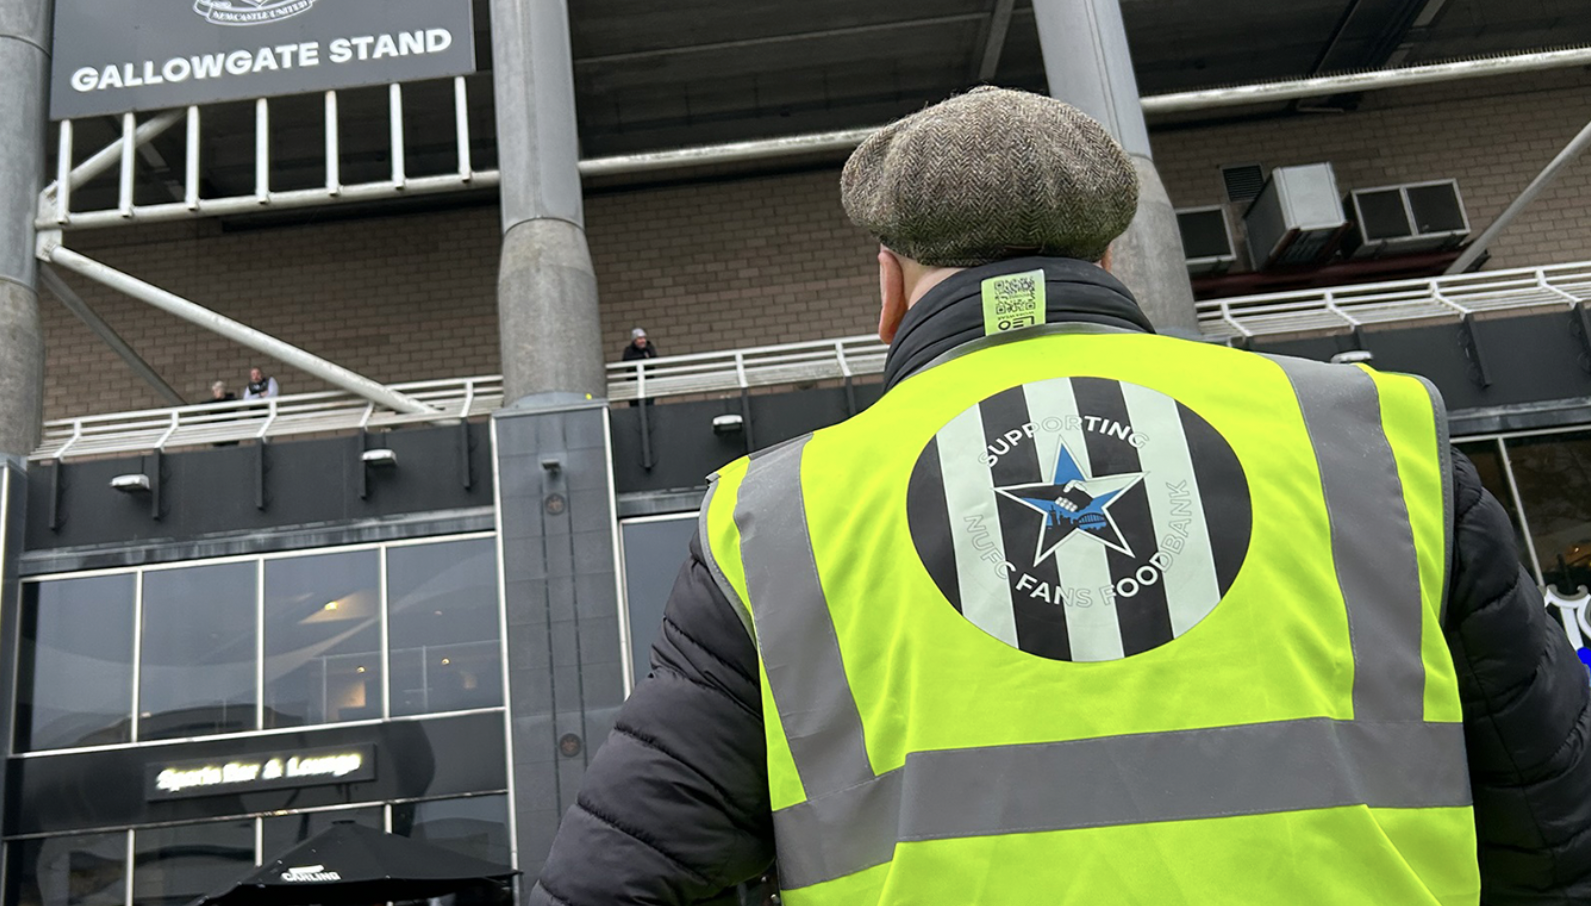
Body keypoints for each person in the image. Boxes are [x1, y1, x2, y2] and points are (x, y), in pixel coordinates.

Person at [529, 87, 1591, 904]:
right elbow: (1552, 820)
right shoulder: (1370, 440)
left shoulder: (779, 517)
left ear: (888, 282)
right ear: (1107, 254)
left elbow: (618, 875)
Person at [621, 328, 658, 408]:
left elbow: (653, 360)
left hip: (648, 382)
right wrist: (643, 357)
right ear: (634, 340)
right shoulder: (629, 350)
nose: (643, 341)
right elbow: (627, 362)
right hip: (634, 384)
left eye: (644, 338)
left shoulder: (649, 348)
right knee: (635, 407)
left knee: (650, 406)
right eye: (640, 339)